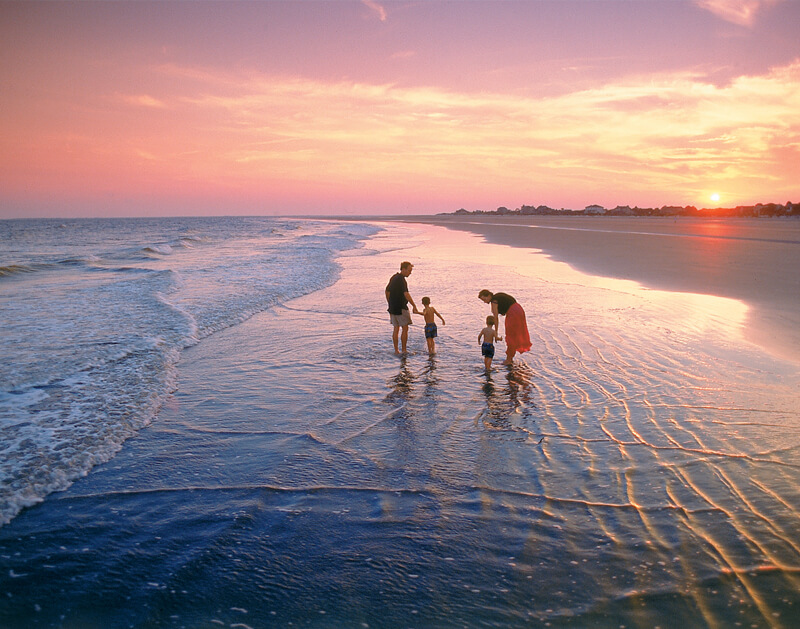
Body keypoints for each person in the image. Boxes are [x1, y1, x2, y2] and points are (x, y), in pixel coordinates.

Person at [477, 289, 532, 365]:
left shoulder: (494, 301)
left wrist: (496, 332)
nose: (485, 302)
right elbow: (510, 301)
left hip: (513, 313)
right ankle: (510, 358)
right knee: (515, 335)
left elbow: (495, 318)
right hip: (519, 310)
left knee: (511, 336)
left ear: (489, 295)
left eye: (484, 299)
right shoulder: (498, 295)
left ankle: (508, 360)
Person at [386, 261, 420, 354]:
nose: (410, 272)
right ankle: (404, 350)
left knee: (396, 328)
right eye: (409, 270)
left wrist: (390, 303)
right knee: (405, 328)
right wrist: (414, 305)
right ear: (403, 269)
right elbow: (406, 294)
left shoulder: (393, 277)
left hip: (392, 308)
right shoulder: (402, 280)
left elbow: (387, 291)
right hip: (401, 308)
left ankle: (396, 350)